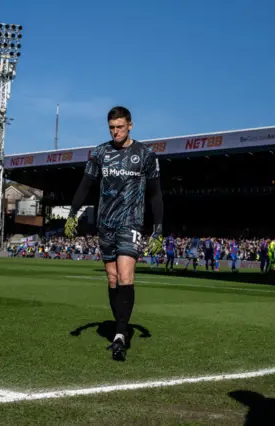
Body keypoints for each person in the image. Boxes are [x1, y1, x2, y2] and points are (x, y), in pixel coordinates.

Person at [65, 106, 164, 362]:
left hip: (131, 222)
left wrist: (158, 227)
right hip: (105, 224)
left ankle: (120, 335)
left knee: (125, 274)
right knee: (111, 278)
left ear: (130, 125)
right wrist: (72, 213)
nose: (116, 131)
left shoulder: (145, 154)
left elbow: (155, 193)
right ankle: (120, 326)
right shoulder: (100, 153)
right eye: (112, 127)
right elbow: (85, 184)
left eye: (120, 126)